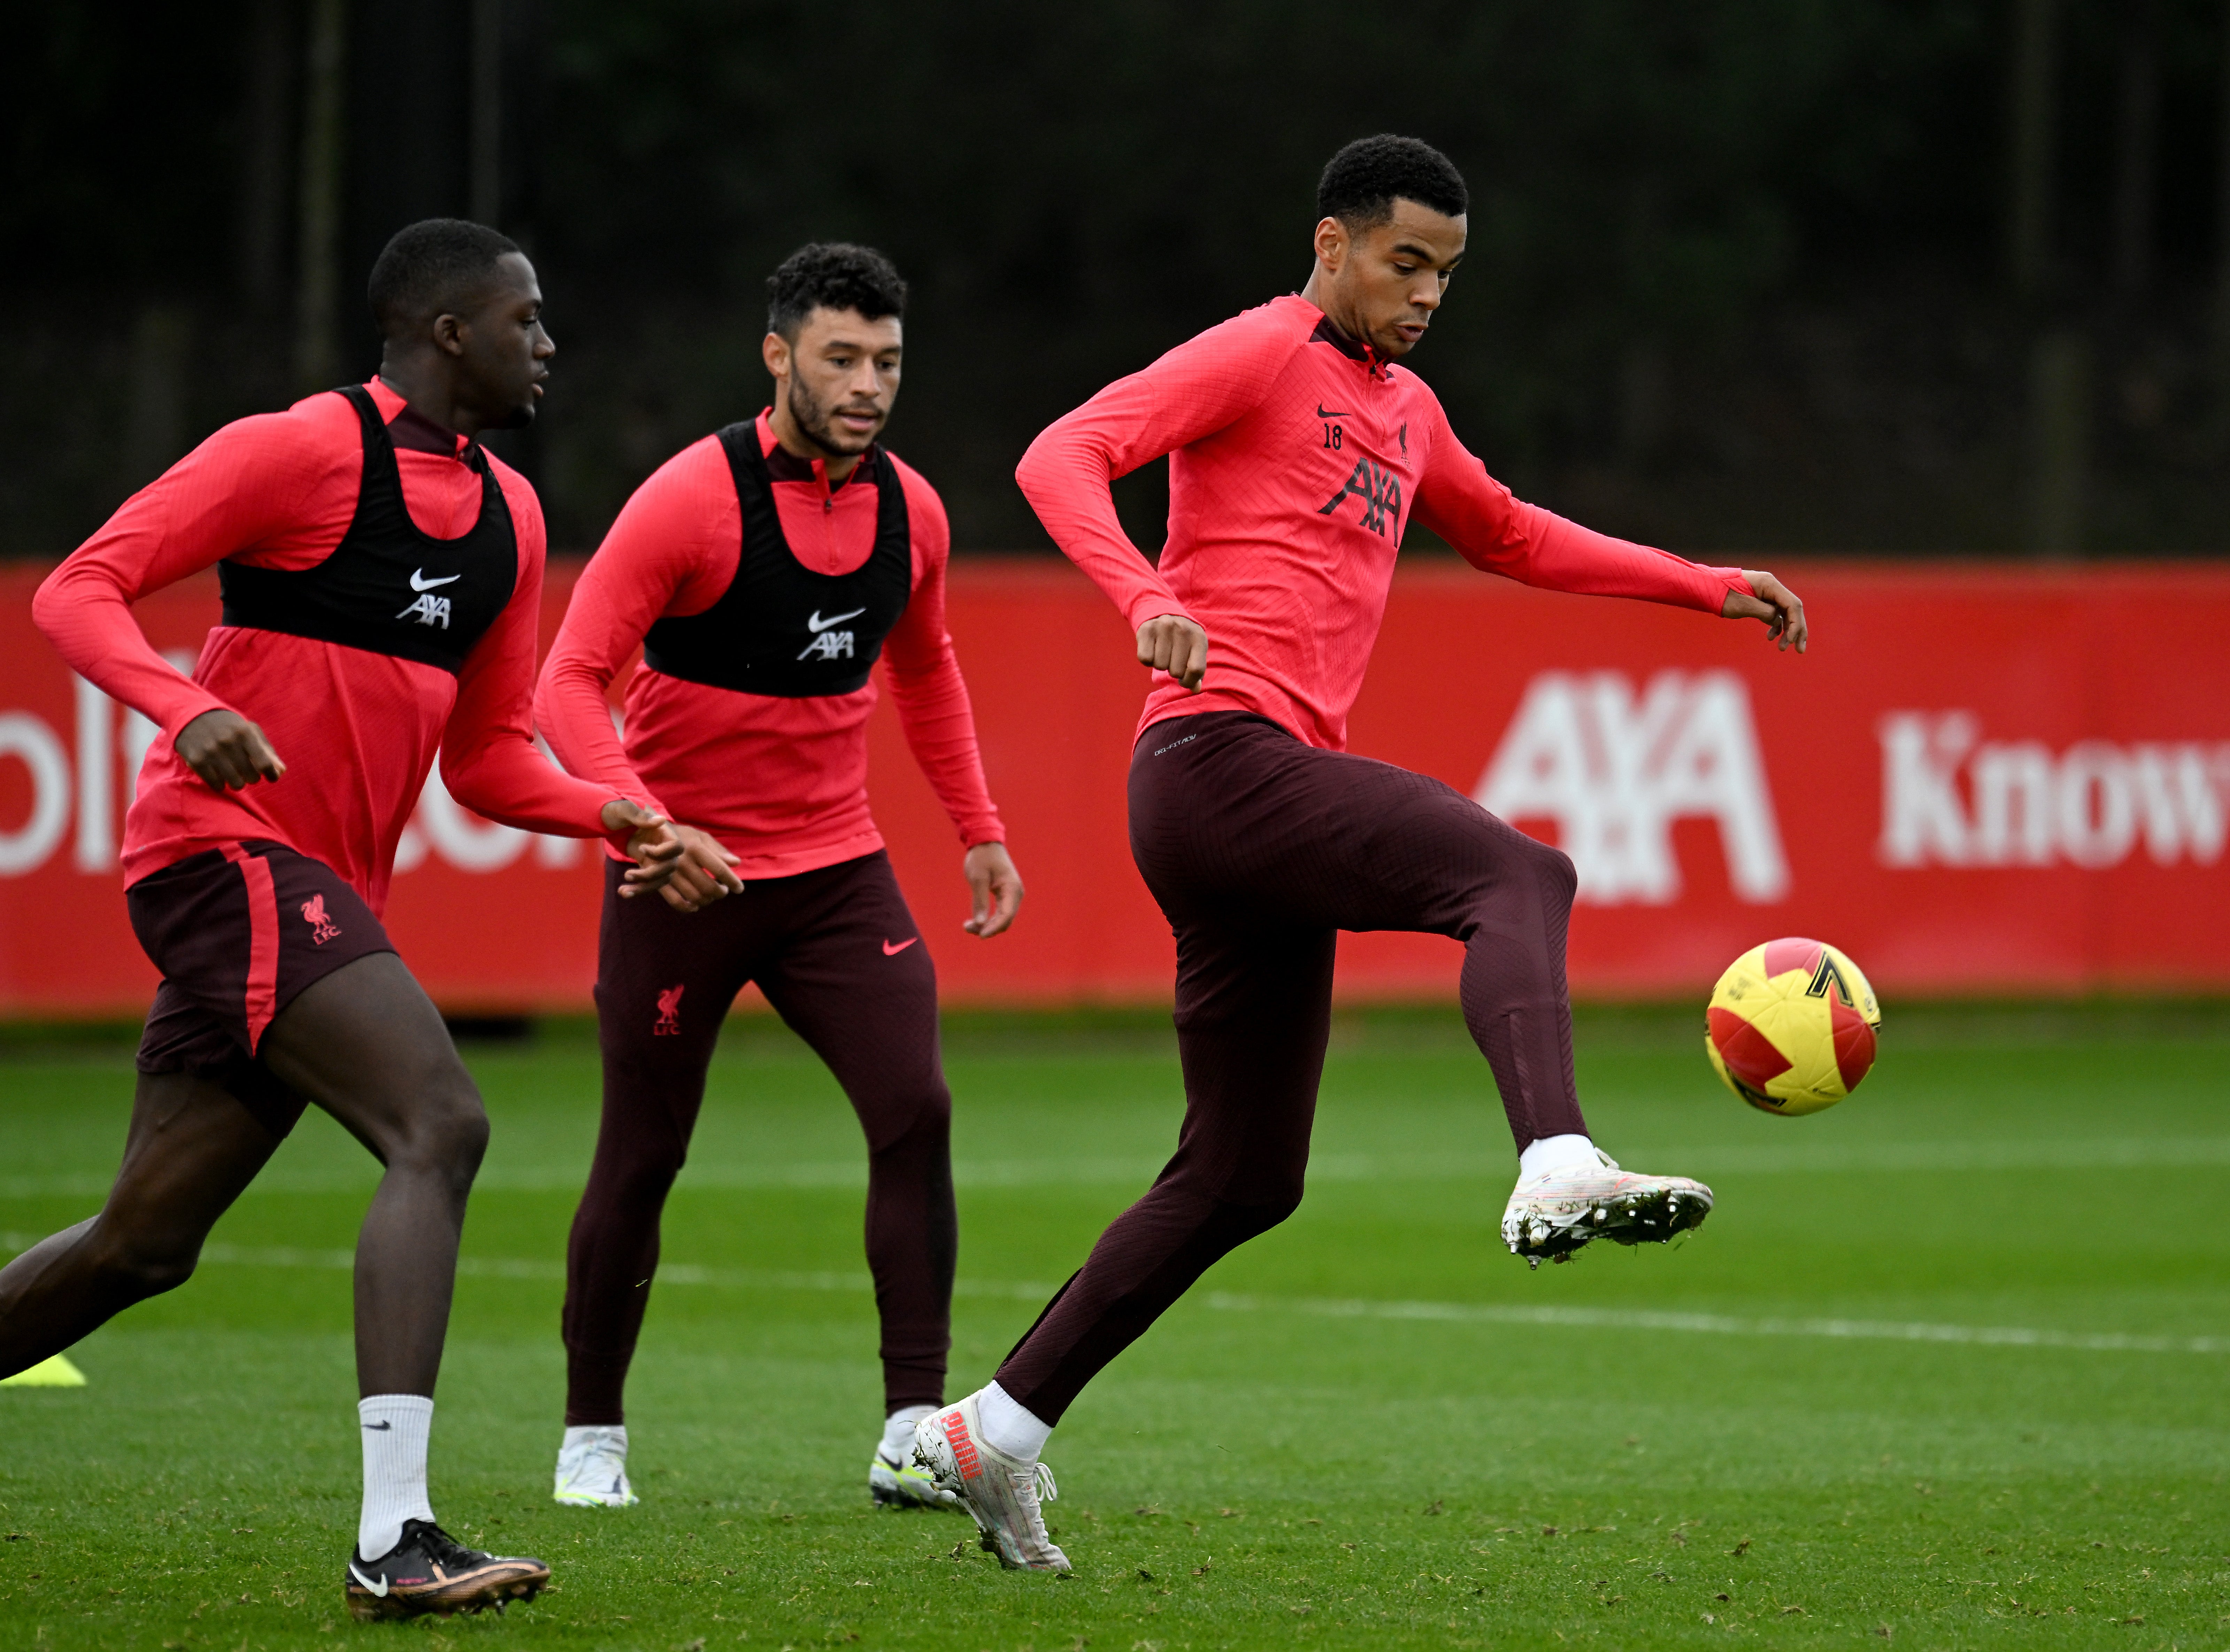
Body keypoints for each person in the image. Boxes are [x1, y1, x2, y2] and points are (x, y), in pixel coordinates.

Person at [911, 135, 1810, 1570]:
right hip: (1218, 760)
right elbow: (1058, 451)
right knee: (1517, 876)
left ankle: (991, 1434)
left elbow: (1509, 534)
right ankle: (1553, 1157)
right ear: (1328, 246)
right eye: (1404, 262)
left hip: (1244, 803)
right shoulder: (1262, 352)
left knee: (1242, 1176)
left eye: (1445, 273)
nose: (1425, 293)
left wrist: (1701, 585)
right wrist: (1140, 587)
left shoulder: (1406, 408)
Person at [5, 220, 689, 1620]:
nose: (548, 343)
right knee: (440, 1122)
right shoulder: (298, 451)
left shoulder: (510, 514)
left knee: (145, 1242)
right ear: (448, 331)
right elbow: (79, 589)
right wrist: (187, 709)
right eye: (525, 319)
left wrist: (609, 812)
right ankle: (396, 1534)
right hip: (221, 860)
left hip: (299, 897)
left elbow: (489, 755)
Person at [535, 242, 1021, 1513]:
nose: (867, 385)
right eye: (841, 358)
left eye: (888, 362)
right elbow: (566, 679)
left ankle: (914, 1430)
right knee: (643, 1155)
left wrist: (977, 825)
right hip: (679, 880)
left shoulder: (912, 509)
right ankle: (593, 1436)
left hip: (835, 876)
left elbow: (925, 671)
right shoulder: (690, 499)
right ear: (778, 355)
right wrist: (637, 824)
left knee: (916, 1111)